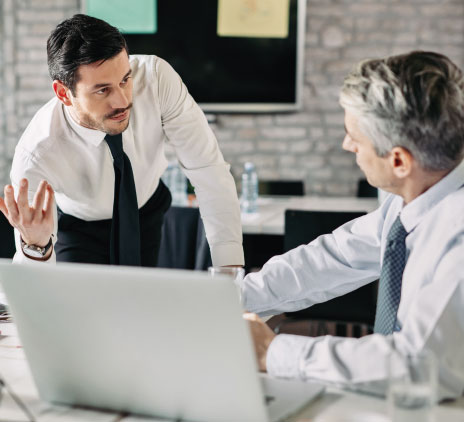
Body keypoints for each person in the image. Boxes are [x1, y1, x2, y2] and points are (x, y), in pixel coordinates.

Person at [242, 51, 464, 400]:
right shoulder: (408, 204)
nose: (347, 146)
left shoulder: (458, 233)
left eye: (354, 139)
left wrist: (274, 353)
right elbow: (333, 257)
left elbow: (418, 364)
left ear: (399, 160)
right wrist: (231, 298)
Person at [0, 14, 244, 267]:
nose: (122, 101)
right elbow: (33, 276)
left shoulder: (156, 80)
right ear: (64, 93)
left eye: (125, 80)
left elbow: (209, 171)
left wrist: (230, 269)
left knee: (140, 300)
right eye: (102, 90)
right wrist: (38, 246)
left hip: (146, 211)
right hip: (80, 228)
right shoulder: (36, 154)